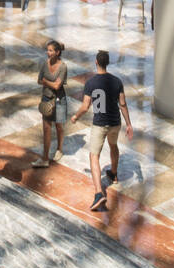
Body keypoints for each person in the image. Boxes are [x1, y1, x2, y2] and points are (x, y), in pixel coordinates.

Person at [70, 49, 133, 213]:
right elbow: (123, 104)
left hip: (99, 124)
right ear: (108, 63)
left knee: (94, 156)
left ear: (96, 62)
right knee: (113, 146)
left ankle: (99, 193)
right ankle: (113, 173)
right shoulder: (117, 81)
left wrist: (76, 116)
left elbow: (85, 106)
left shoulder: (90, 83)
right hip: (115, 123)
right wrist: (129, 124)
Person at [32, 40, 68, 168]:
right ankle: (45, 157)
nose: (48, 53)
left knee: (59, 126)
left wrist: (46, 82)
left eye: (51, 50)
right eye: (47, 50)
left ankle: (59, 149)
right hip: (46, 99)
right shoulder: (44, 64)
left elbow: (57, 86)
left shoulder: (63, 67)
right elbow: (38, 80)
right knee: (46, 129)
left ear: (57, 52)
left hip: (59, 100)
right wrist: (48, 82)